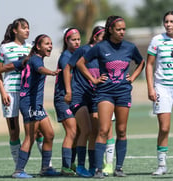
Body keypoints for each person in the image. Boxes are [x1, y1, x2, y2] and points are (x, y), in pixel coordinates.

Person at [77, 15, 145, 178]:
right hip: (104, 93)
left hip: (123, 92)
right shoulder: (100, 47)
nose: (122, 32)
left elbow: (141, 62)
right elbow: (80, 63)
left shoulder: (130, 47)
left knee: (121, 130)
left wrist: (133, 77)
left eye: (124, 29)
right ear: (110, 30)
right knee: (104, 129)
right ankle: (98, 169)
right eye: (119, 29)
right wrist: (93, 79)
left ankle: (119, 168)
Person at [0, 34, 61, 178]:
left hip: (36, 104)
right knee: (30, 137)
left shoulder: (28, 59)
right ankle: (18, 170)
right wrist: (51, 72)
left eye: (51, 43)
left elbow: (9, 66)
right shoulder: (36, 60)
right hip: (29, 103)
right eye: (46, 44)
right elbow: (40, 69)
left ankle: (45, 168)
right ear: (38, 47)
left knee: (49, 134)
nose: (50, 46)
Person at [0, 18, 45, 165]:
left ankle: (46, 165)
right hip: (10, 93)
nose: (27, 30)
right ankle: (19, 166)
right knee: (14, 132)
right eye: (23, 28)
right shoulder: (4, 48)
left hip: (28, 94)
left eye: (28, 28)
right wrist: (3, 93)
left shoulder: (31, 48)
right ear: (15, 30)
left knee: (38, 131)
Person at [64, 26, 105, 177]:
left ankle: (93, 167)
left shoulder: (105, 53)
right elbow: (67, 68)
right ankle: (80, 166)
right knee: (86, 130)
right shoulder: (83, 50)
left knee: (95, 131)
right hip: (79, 96)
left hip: (95, 96)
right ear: (95, 37)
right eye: (103, 36)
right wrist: (69, 90)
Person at [146, 10, 173, 176]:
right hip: (162, 87)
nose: (169, 24)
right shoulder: (157, 40)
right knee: (164, 127)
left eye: (171, 21)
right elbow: (149, 64)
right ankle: (162, 165)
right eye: (167, 22)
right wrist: (151, 87)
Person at [53, 28, 80, 176]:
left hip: (74, 98)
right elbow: (66, 75)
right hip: (63, 98)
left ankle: (71, 163)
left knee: (77, 132)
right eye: (73, 39)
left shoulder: (76, 55)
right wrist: (69, 92)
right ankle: (65, 166)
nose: (76, 42)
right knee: (72, 131)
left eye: (78, 39)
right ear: (67, 41)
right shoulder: (65, 57)